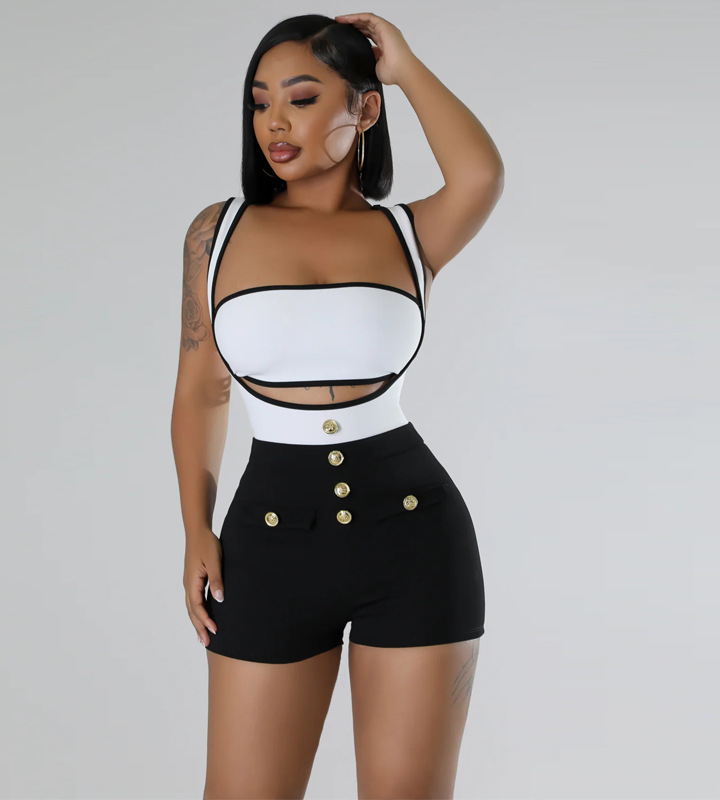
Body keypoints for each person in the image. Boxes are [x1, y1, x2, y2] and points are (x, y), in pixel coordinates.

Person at [171, 12, 504, 799]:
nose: (275, 123)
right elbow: (201, 389)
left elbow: (481, 176)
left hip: (415, 537)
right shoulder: (217, 234)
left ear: (365, 108)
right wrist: (196, 530)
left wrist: (405, 66)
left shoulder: (410, 233)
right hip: (269, 542)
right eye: (260, 103)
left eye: (302, 98)